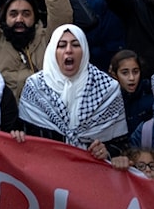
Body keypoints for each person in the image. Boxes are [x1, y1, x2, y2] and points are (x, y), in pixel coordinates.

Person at [15, 25, 129, 159]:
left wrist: (107, 151)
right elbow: (25, 137)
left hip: (92, 174)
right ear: (53, 51)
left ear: (85, 50)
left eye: (75, 45)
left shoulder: (108, 89)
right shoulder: (35, 87)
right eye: (62, 46)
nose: (68, 50)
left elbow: (121, 144)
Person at [109, 50, 153, 135]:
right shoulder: (109, 99)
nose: (131, 78)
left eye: (135, 72)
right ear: (115, 74)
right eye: (125, 73)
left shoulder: (150, 94)